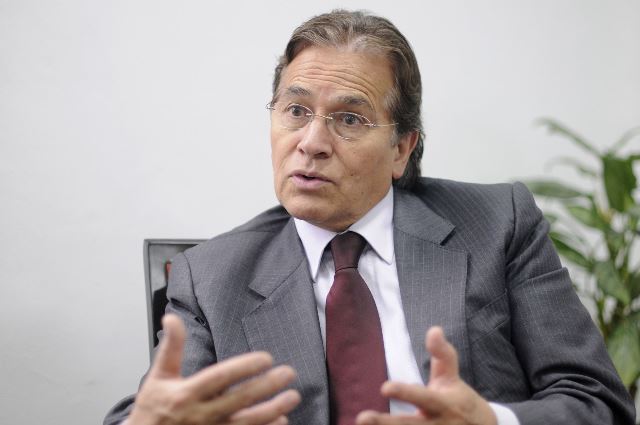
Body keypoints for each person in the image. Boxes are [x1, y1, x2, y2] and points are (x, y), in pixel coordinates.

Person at [104, 9, 635, 425]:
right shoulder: (211, 276)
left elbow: (598, 403)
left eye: (350, 118)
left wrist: (492, 422)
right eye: (296, 110)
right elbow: (151, 412)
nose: (311, 142)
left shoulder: (498, 225)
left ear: (402, 148)